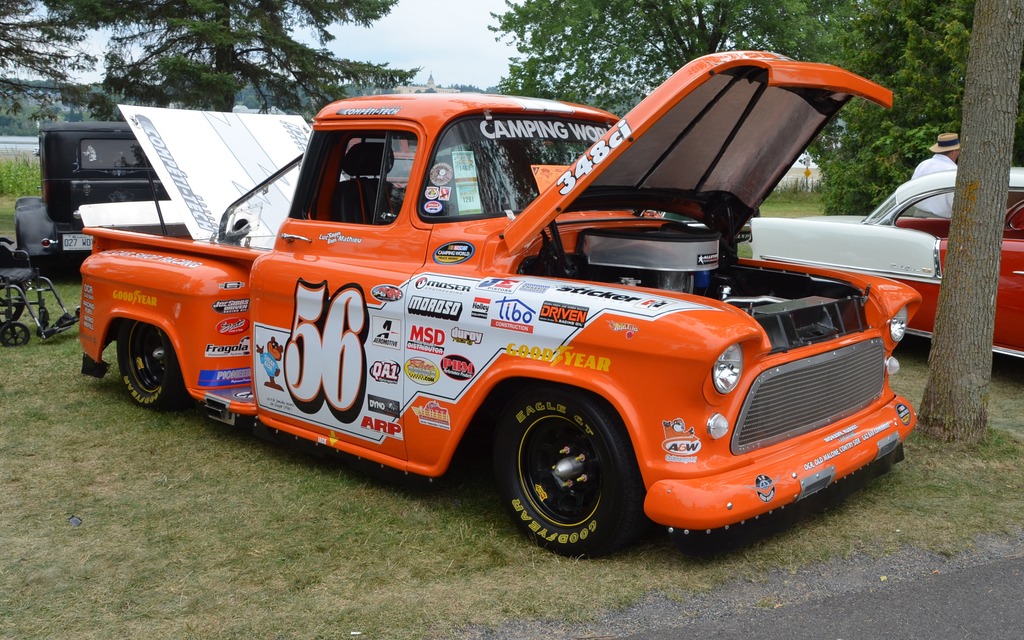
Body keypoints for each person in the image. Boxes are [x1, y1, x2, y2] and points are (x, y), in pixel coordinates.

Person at [911, 132, 960, 217]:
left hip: (918, 216)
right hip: (939, 221)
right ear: (953, 152)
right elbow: (954, 203)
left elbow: (912, 191)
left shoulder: (923, 165)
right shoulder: (953, 171)